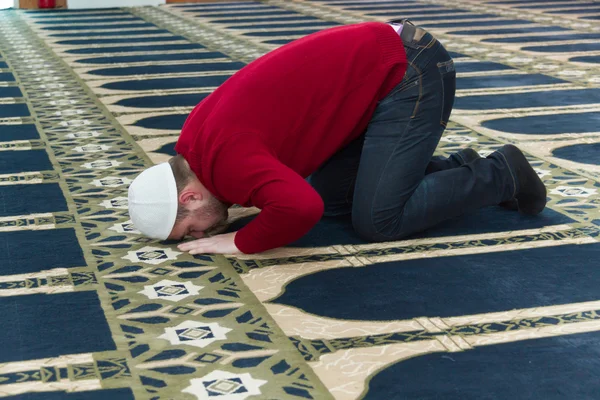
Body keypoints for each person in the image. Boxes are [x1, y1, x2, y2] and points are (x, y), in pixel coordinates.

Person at [128, 20, 546, 255]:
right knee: (336, 201)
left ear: (189, 198)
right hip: (374, 86)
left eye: (190, 231)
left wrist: (238, 241)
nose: (200, 236)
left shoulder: (227, 163)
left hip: (408, 71)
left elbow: (299, 209)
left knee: (379, 221)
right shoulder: (194, 147)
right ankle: (456, 171)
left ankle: (502, 173)